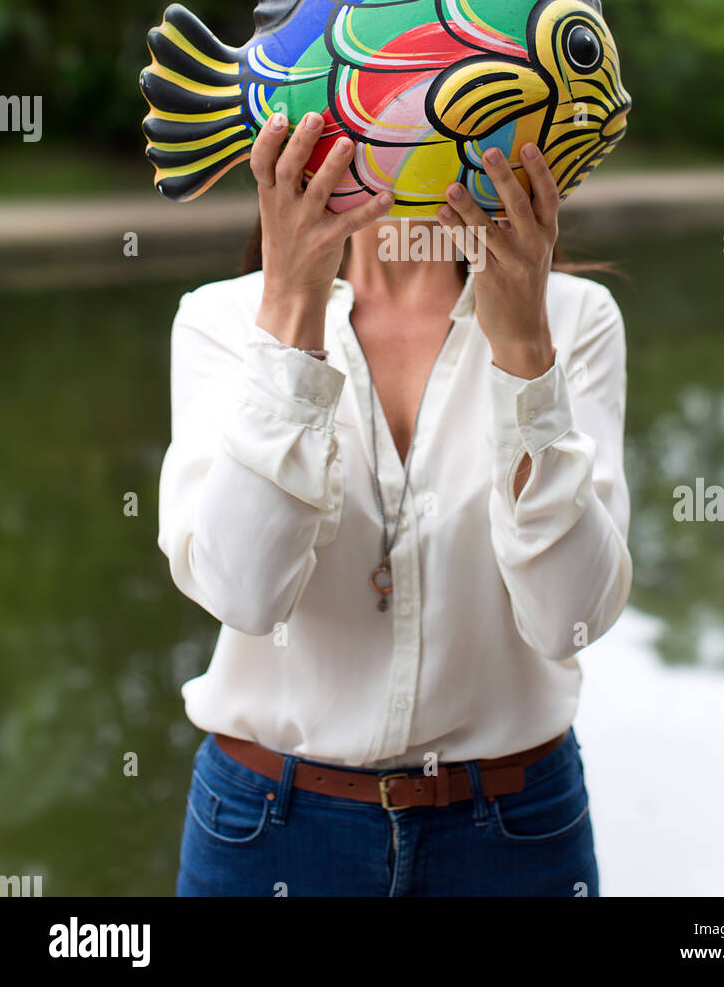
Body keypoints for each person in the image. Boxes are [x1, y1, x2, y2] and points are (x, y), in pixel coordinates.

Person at [161, 108, 632, 897]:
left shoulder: (576, 321)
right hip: (267, 829)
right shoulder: (220, 320)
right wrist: (288, 316)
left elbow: (565, 621)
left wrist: (524, 354)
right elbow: (245, 597)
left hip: (513, 831)